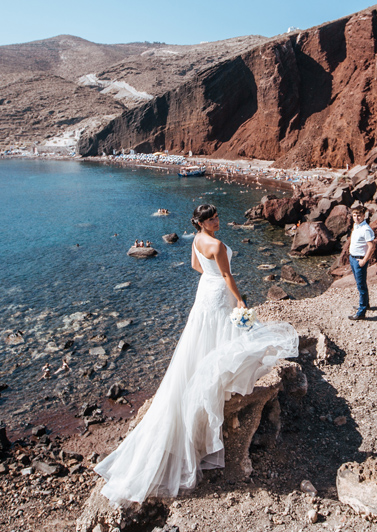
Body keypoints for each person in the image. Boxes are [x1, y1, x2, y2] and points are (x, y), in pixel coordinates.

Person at [93, 204, 298, 505]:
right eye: (212, 218)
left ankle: (205, 378)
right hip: (218, 293)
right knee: (227, 334)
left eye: (216, 216)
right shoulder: (216, 244)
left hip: (205, 291)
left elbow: (196, 267)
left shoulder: (197, 240)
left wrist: (213, 276)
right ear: (202, 222)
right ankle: (219, 383)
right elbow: (227, 276)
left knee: (201, 337)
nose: (218, 220)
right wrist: (240, 299)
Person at [347, 207, 376, 320]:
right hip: (352, 258)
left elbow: (371, 246)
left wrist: (364, 260)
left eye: (359, 215)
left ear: (364, 216)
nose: (356, 218)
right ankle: (365, 304)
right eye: (354, 215)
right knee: (361, 283)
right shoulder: (356, 226)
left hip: (359, 260)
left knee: (361, 286)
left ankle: (361, 312)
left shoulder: (366, 229)